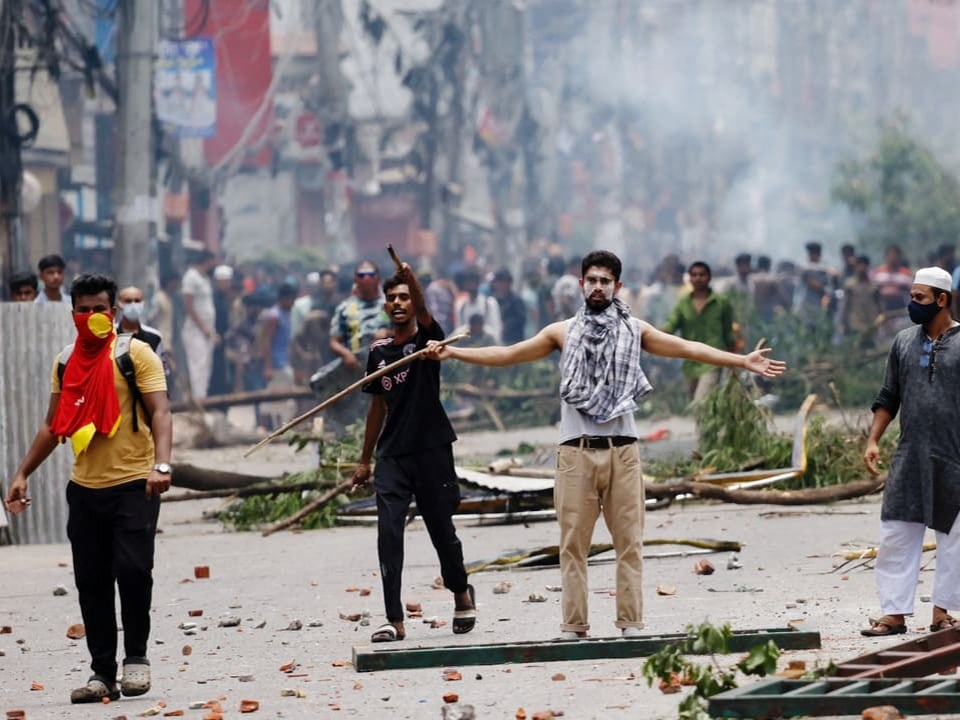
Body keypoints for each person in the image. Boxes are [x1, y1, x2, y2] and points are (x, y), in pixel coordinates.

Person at [425, 250, 785, 639]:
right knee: (573, 546)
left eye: (605, 281)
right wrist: (454, 352)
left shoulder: (636, 330)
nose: (598, 287)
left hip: (623, 451)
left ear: (617, 286)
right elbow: (509, 354)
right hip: (575, 451)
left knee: (628, 543)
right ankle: (574, 626)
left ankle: (630, 624)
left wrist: (740, 361)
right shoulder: (560, 332)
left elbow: (687, 347)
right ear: (582, 285)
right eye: (592, 280)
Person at [4, 273, 172, 702]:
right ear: (72, 313)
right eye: (83, 310)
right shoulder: (65, 360)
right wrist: (23, 473)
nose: (92, 316)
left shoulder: (136, 355)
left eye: (99, 309)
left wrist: (162, 464)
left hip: (136, 483)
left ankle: (136, 659)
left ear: (113, 312)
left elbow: (161, 413)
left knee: (134, 572)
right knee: (92, 581)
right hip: (84, 488)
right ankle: (102, 673)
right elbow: (52, 425)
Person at [352, 263, 476, 644]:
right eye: (392, 298)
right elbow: (377, 408)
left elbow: (425, 314)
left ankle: (460, 591)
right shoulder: (378, 353)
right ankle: (394, 619)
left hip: (432, 450)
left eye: (404, 296)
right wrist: (364, 459)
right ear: (386, 307)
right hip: (393, 455)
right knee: (388, 533)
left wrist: (413, 280)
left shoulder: (429, 342)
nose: (398, 302)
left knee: (442, 531)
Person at [861, 266, 960, 637]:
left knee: (955, 538)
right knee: (896, 532)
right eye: (911, 297)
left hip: (954, 456)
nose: (911, 304)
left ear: (942, 300)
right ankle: (893, 614)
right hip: (909, 454)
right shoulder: (903, 342)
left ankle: (942, 612)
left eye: (919, 298)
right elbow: (889, 397)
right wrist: (873, 440)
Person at [663, 261, 737, 402]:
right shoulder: (683, 304)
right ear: (689, 278)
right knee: (696, 403)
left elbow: (729, 333)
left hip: (713, 358)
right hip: (690, 360)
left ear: (709, 277)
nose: (698, 278)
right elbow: (671, 326)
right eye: (694, 275)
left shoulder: (722, 303)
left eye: (702, 275)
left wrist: (733, 361)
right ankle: (707, 425)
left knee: (701, 400)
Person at [330, 260, 391, 370]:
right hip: (357, 366)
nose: (366, 278)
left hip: (388, 363)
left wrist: (389, 334)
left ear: (378, 278)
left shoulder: (391, 303)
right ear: (355, 279)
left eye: (370, 274)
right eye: (361, 275)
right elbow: (334, 341)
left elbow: (410, 332)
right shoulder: (345, 307)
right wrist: (346, 354)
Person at [116, 285, 172, 387]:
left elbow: (162, 374)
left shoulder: (154, 337)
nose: (133, 305)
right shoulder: (110, 335)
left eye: (137, 301)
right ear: (119, 304)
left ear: (143, 304)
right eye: (128, 301)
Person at [181, 250, 218, 398]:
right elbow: (188, 306)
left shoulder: (205, 279)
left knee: (206, 366)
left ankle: (203, 397)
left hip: (207, 329)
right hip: (195, 329)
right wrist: (202, 327)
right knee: (197, 365)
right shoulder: (191, 277)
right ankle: (198, 399)